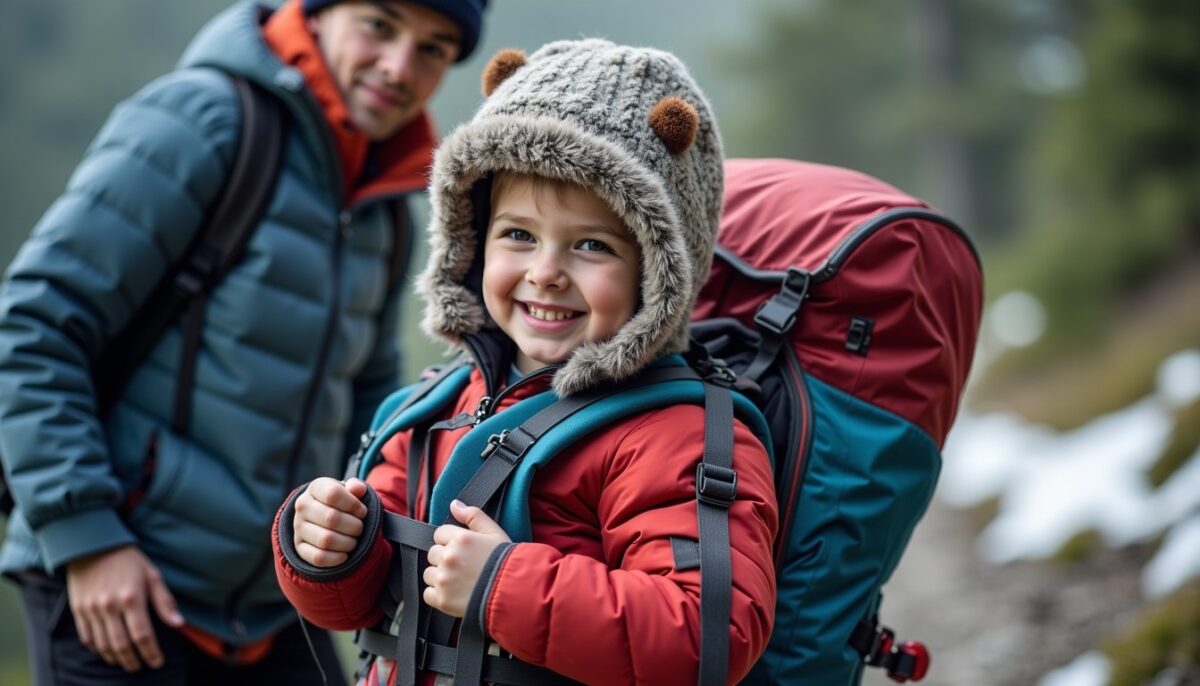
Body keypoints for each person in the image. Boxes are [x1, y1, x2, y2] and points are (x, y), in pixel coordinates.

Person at [0, 0, 487, 683]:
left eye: (433, 49)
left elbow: (369, 405)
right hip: (125, 581)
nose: (399, 67)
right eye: (379, 25)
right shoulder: (204, 121)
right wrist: (86, 539)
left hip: (278, 603)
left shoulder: (387, 207)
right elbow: (35, 324)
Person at [272, 39, 779, 685]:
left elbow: (706, 637)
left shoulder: (674, 437)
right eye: (518, 235)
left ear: (656, 273)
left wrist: (500, 584)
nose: (545, 273)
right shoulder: (434, 406)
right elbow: (357, 606)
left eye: (592, 246)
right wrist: (326, 547)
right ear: (472, 240)